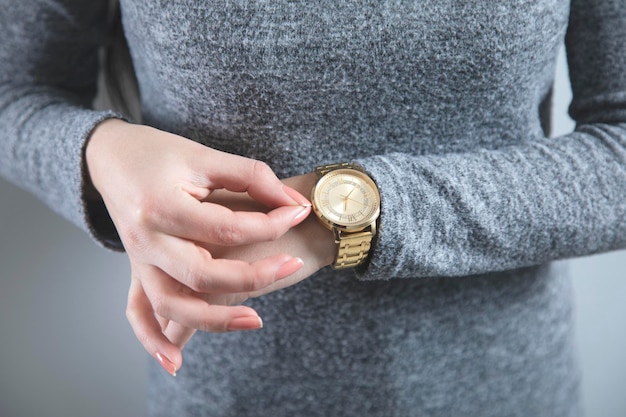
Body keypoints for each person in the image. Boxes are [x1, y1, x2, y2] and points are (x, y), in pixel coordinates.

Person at [0, 0, 624, 416]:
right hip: (224, 394)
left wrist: (339, 215)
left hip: (507, 390)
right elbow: (15, 89)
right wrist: (103, 152)